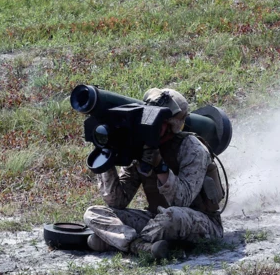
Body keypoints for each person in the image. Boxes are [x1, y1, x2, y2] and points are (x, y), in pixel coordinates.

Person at [83, 88, 224, 260]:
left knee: (172, 216)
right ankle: (140, 246)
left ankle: (117, 241)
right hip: (156, 219)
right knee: (93, 213)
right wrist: (108, 155)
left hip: (200, 221)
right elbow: (117, 201)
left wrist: (160, 166)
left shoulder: (192, 148)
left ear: (173, 124)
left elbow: (182, 201)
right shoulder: (140, 144)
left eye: (159, 121)